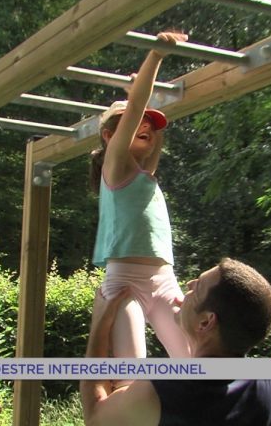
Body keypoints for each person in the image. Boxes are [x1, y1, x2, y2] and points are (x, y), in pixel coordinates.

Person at [81, 257, 271, 426]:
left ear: (205, 322)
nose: (189, 283)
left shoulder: (162, 391)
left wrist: (100, 323)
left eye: (197, 288)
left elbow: (95, 416)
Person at [89, 30, 191, 360]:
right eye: (134, 122)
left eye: (148, 122)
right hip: (124, 282)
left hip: (163, 280)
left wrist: (151, 105)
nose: (143, 124)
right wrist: (156, 56)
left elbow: (157, 128)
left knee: (193, 360)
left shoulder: (144, 173)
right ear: (109, 136)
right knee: (133, 368)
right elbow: (136, 107)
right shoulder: (115, 165)